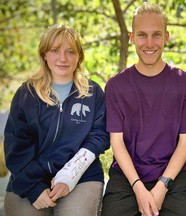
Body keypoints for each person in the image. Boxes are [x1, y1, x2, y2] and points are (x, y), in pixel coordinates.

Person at [101, 2, 186, 216]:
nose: (149, 43)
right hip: (127, 178)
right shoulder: (116, 86)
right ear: (131, 37)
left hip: (172, 176)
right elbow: (116, 143)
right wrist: (138, 187)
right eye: (142, 35)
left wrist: (162, 185)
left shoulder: (185, 84)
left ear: (166, 36)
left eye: (156, 35)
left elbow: (185, 143)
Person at [4, 24, 110, 216]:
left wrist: (70, 175)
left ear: (79, 57)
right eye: (55, 51)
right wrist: (34, 188)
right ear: (44, 54)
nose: (63, 58)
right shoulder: (26, 94)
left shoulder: (93, 93)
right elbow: (16, 145)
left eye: (70, 52)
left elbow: (99, 137)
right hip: (29, 178)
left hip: (81, 178)